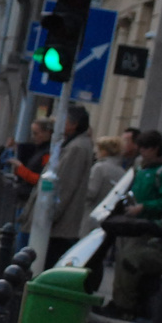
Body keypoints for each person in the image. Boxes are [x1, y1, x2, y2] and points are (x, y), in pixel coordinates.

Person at [100, 130, 162, 323]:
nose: (142, 152)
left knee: (129, 262)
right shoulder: (141, 168)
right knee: (123, 262)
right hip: (132, 225)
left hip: (149, 230)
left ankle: (124, 307)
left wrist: (144, 208)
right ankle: (120, 311)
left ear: (155, 148)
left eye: (145, 148)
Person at [45, 104, 95, 270]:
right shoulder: (73, 144)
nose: (58, 123)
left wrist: (51, 213)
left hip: (61, 227)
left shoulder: (77, 147)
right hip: (61, 225)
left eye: (62, 120)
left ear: (74, 124)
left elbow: (66, 185)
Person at [15, 117, 54, 250]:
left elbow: (40, 179)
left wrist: (20, 169)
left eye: (36, 133)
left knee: (23, 241)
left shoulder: (47, 153)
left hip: (32, 201)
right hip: (26, 198)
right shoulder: (39, 150)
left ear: (47, 133)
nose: (34, 137)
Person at [83, 136, 126, 234]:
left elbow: (91, 192)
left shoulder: (99, 168)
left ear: (104, 151)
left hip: (93, 212)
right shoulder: (122, 171)